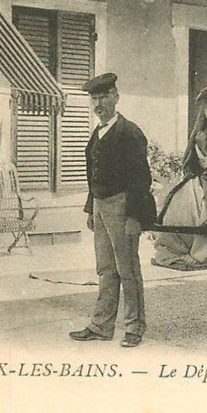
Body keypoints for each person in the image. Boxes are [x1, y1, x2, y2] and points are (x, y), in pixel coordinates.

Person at [68, 73, 156, 348]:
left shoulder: (130, 132)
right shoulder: (97, 133)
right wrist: (91, 209)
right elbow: (94, 175)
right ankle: (101, 326)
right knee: (106, 269)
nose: (99, 104)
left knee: (127, 269)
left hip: (123, 206)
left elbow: (141, 180)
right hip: (101, 205)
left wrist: (133, 217)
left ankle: (134, 328)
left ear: (116, 97)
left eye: (104, 97)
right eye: (94, 99)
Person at [152, 90, 207, 269]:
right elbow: (201, 165)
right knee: (181, 197)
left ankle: (203, 253)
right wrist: (202, 147)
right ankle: (179, 245)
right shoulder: (204, 134)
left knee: (204, 201)